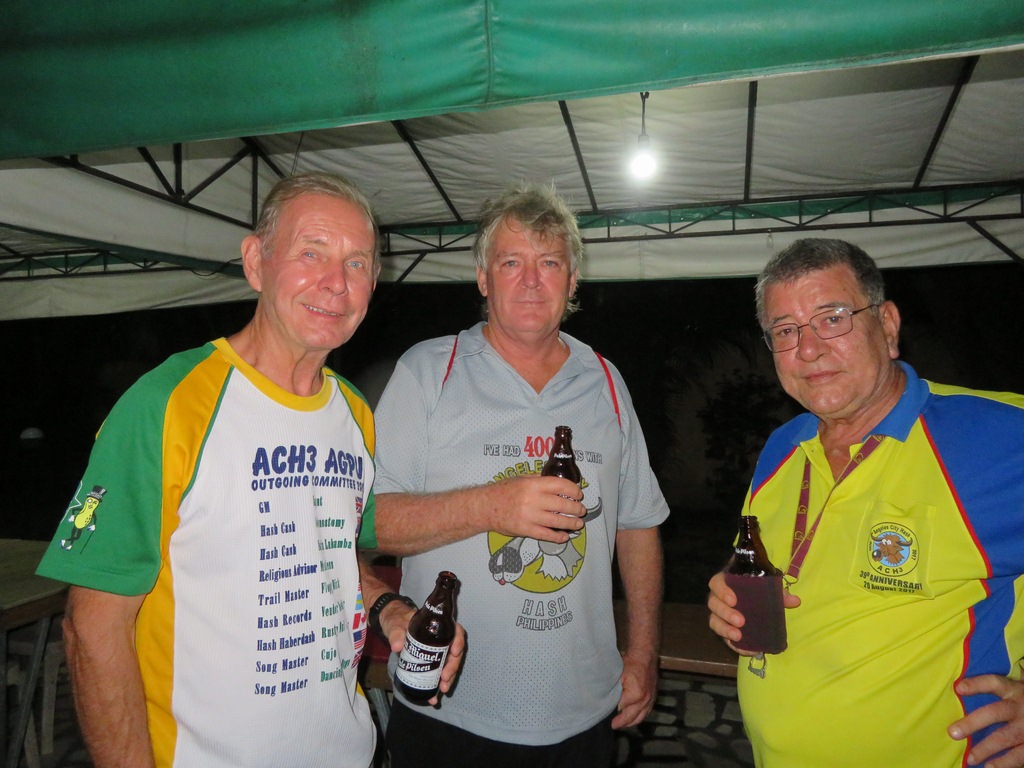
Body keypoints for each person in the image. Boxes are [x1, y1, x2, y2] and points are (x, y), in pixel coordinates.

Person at [36, 172, 463, 768]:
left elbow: (330, 559)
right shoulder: (167, 403)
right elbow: (92, 626)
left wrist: (390, 610)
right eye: (311, 253)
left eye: (357, 263)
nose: (336, 282)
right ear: (256, 262)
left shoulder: (354, 413)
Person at [370, 182, 669, 767]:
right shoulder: (428, 370)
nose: (531, 280)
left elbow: (637, 525)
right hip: (449, 706)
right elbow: (369, 524)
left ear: (573, 281)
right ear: (483, 279)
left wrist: (642, 653)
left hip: (583, 710)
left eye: (549, 263)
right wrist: (493, 506)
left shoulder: (606, 382)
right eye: (511, 263)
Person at [707, 237, 1024, 768]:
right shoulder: (781, 447)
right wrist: (730, 595)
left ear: (888, 325)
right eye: (785, 331)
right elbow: (785, 558)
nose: (808, 349)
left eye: (832, 319)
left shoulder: (994, 437)